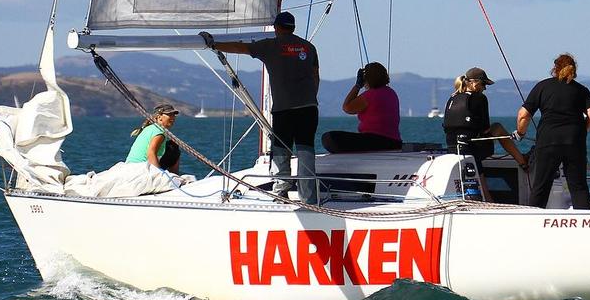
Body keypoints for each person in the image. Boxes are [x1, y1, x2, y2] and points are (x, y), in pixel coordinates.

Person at [200, 11, 321, 204]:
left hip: (284, 109)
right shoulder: (309, 47)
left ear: (276, 28)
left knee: (281, 150)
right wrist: (310, 97)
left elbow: (241, 48)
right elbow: (315, 76)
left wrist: (213, 44)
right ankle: (309, 199)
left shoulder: (270, 46)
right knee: (306, 150)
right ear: (293, 27)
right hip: (308, 108)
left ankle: (281, 193)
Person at [515, 54, 590, 209]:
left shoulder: (542, 86)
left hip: (548, 141)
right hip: (575, 141)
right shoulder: (581, 90)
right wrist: (583, 130)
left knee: (541, 186)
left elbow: (523, 115)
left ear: (554, 68)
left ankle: (534, 221)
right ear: (574, 69)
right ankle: (586, 223)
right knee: (578, 186)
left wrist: (520, 133)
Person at [443, 67, 528, 171]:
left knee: (479, 172)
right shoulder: (479, 98)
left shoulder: (452, 98)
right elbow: (485, 129)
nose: (485, 88)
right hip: (473, 149)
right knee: (497, 127)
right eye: (483, 84)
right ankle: (523, 162)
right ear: (474, 83)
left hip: (452, 149)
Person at [321, 62, 402, 153]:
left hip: (376, 141)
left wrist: (357, 86)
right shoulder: (392, 93)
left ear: (367, 79)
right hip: (395, 142)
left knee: (328, 138)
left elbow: (347, 107)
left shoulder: (370, 95)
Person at [127, 104, 181, 173]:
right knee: (174, 149)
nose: (173, 117)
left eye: (173, 115)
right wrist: (159, 173)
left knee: (171, 146)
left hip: (130, 165)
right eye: (169, 114)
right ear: (159, 117)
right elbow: (151, 153)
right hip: (141, 168)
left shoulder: (149, 128)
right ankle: (175, 176)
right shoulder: (159, 132)